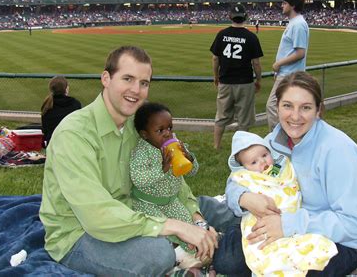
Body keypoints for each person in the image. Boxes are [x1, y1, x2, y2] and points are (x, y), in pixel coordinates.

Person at [39, 46, 249, 276]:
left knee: (221, 210)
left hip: (141, 207)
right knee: (158, 254)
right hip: (80, 233)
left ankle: (239, 249)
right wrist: (175, 226)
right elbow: (96, 215)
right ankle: (201, 258)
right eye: (127, 79)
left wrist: (196, 217)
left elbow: (173, 172)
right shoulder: (74, 134)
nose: (136, 90)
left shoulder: (139, 125)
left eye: (144, 83)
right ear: (106, 78)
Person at [227, 71, 357, 276]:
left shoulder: (339, 150)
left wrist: (287, 224)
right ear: (277, 107)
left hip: (333, 237)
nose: (294, 116)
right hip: (281, 224)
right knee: (227, 262)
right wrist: (243, 197)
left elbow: (353, 225)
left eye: (306, 108)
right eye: (287, 106)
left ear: (318, 110)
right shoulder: (272, 143)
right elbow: (238, 178)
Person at [227, 131, 338, 276]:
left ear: (269, 152)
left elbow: (288, 183)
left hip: (291, 216)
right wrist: (244, 197)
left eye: (264, 155)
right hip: (262, 222)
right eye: (254, 162)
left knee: (310, 245)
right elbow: (232, 190)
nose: (262, 162)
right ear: (244, 167)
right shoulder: (245, 177)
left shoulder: (282, 167)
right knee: (253, 256)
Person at [130, 102, 205, 268]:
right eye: (160, 130)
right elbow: (139, 179)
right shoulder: (142, 152)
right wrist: (162, 169)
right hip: (147, 203)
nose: (167, 134)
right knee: (164, 232)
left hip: (171, 201)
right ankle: (176, 257)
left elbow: (191, 172)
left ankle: (195, 253)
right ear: (145, 135)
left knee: (187, 224)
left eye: (169, 128)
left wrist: (189, 159)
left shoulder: (175, 144)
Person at [210, 3, 263, 149]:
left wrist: (216, 77)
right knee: (244, 119)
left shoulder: (222, 34)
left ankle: (216, 146)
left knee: (221, 116)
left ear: (229, 17)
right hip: (245, 82)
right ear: (246, 16)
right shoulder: (251, 37)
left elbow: (215, 59)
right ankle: (240, 148)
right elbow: (256, 63)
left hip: (225, 81)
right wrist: (258, 80)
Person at [266, 0, 309, 130]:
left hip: (289, 74)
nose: (282, 6)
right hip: (285, 73)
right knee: (285, 106)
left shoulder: (298, 25)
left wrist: (279, 64)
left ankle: (279, 138)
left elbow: (300, 53)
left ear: (293, 5)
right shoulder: (294, 23)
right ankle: (287, 137)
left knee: (272, 106)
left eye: (285, 3)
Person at [40, 76, 81, 146]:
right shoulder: (75, 104)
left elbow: (45, 132)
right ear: (66, 89)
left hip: (53, 146)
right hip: (71, 144)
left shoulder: (47, 106)